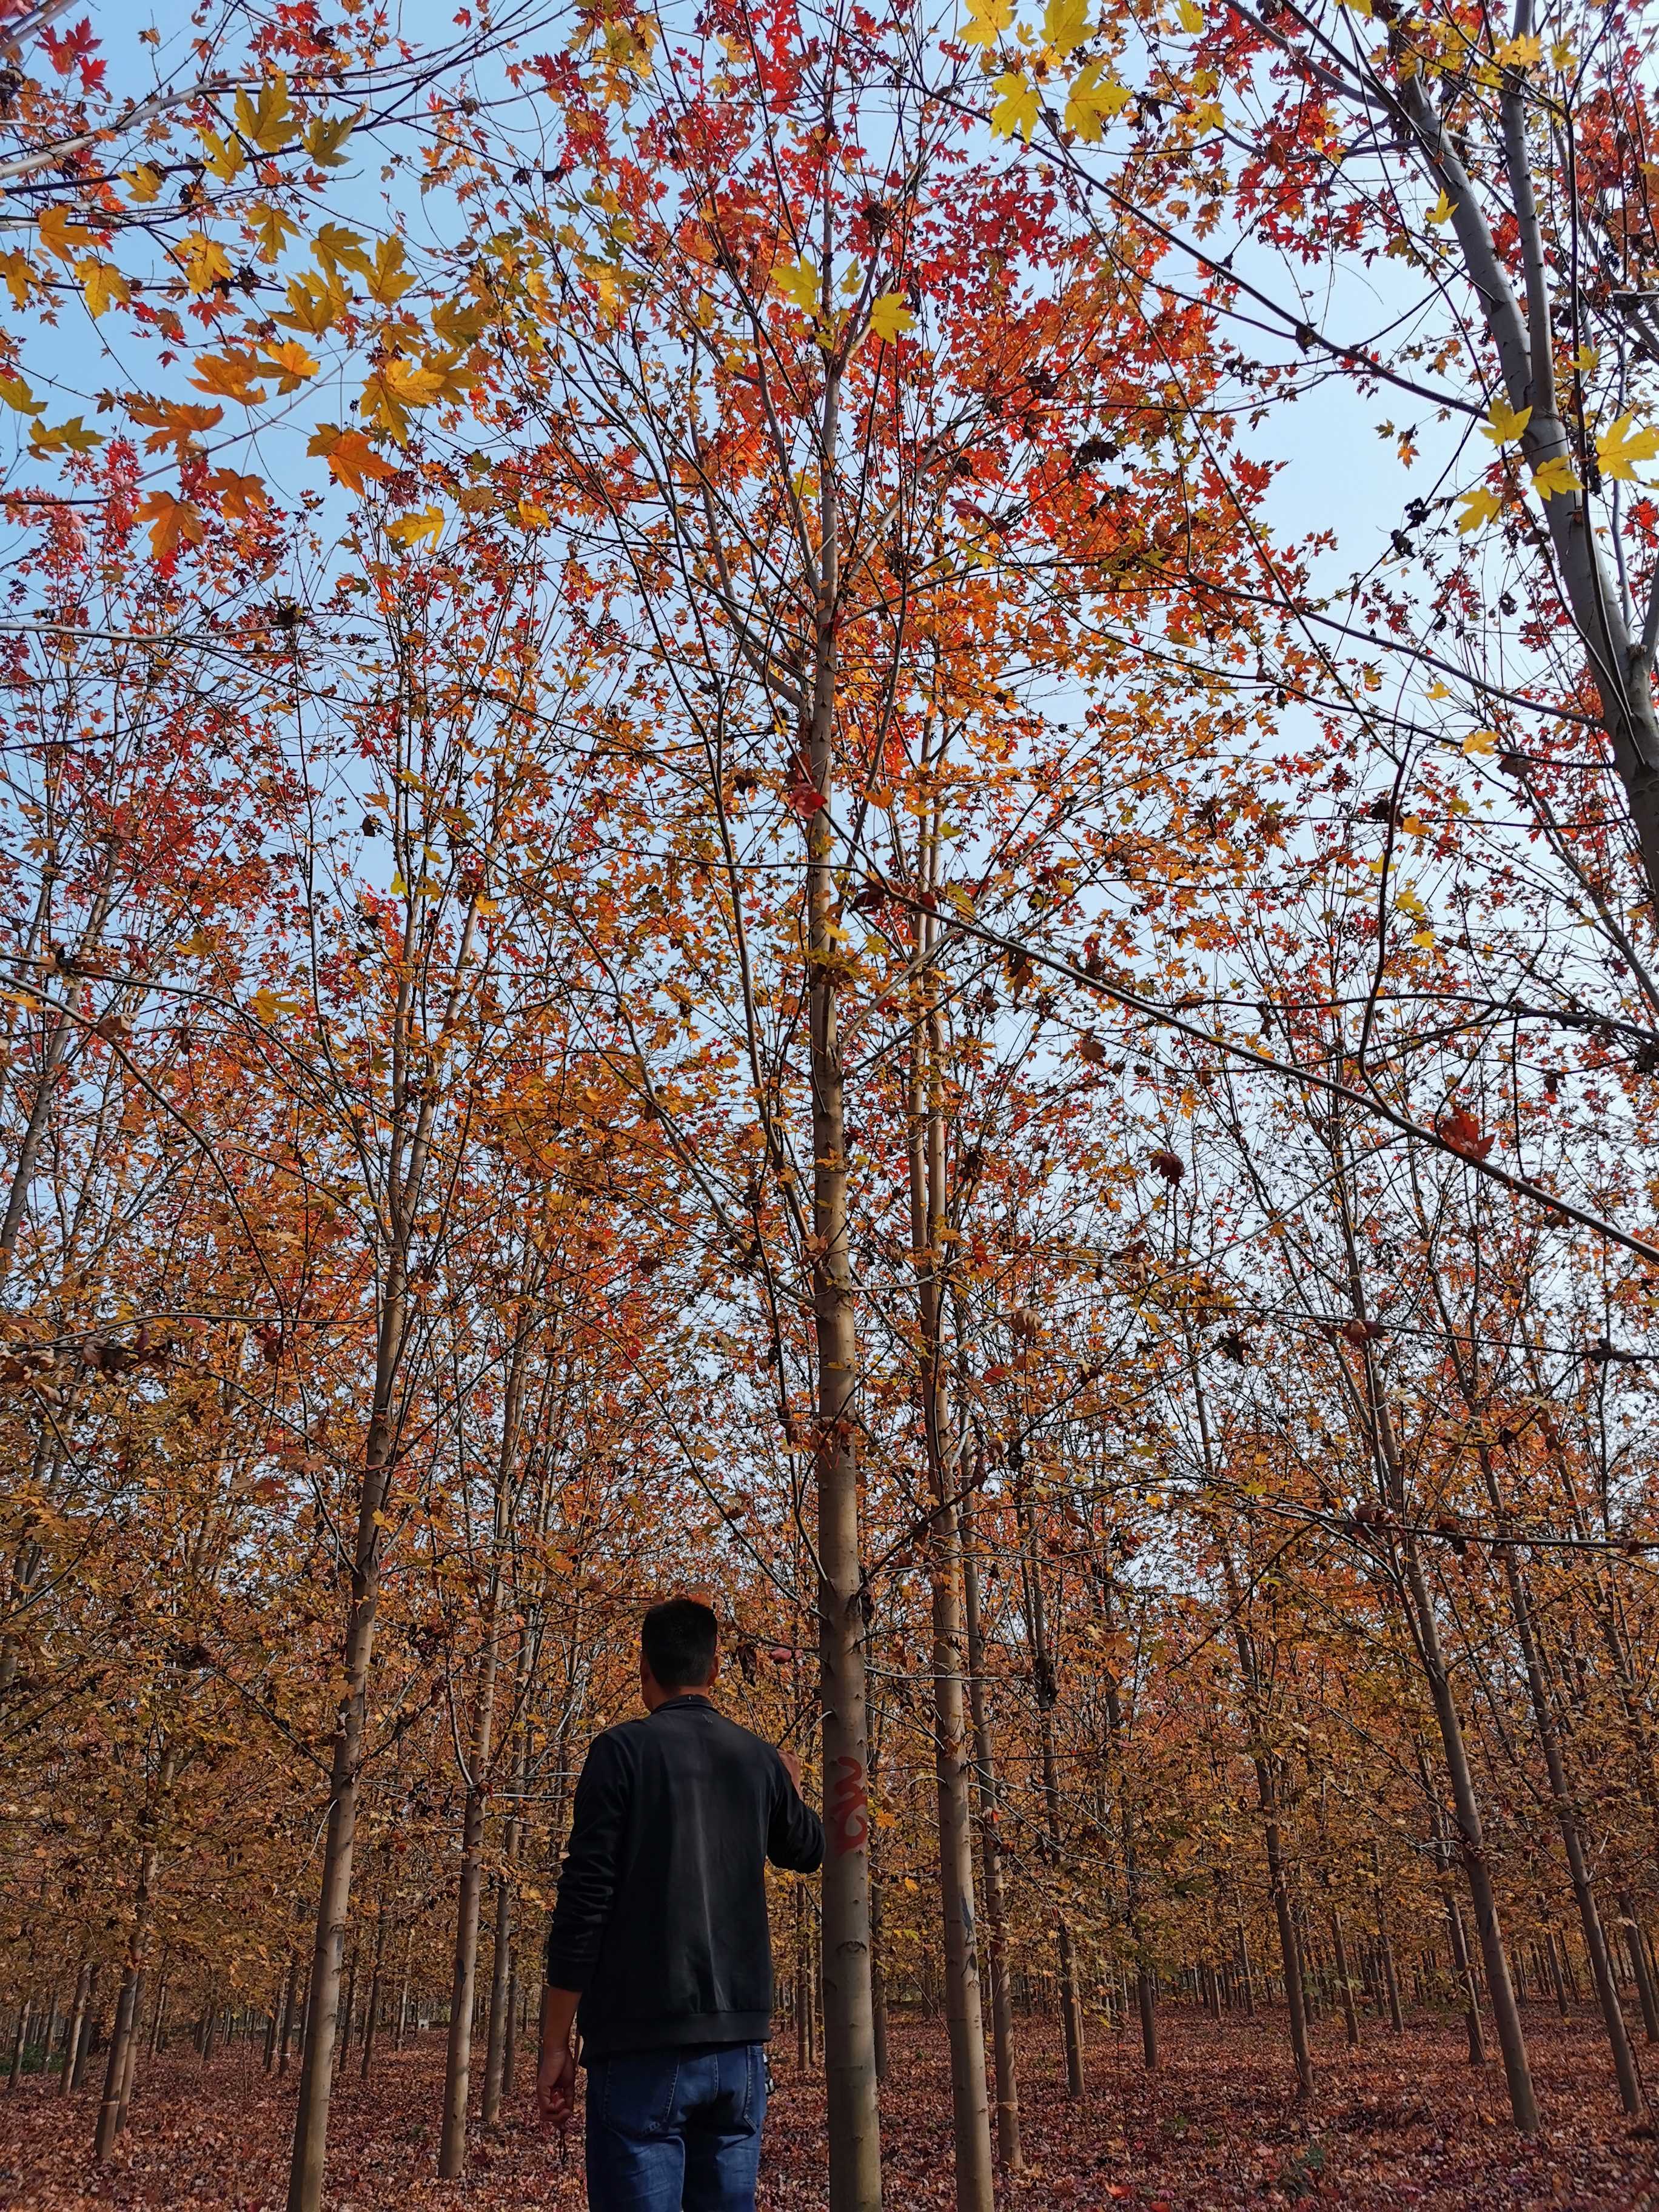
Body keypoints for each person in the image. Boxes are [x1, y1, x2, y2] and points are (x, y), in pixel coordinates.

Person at [537, 1595, 824, 2211]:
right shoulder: (757, 1759)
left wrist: (554, 2043)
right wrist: (791, 1788)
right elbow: (806, 1848)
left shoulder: (619, 1754)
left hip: (641, 2048)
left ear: (644, 1670)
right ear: (716, 1668)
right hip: (738, 2052)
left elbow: (583, 1904)